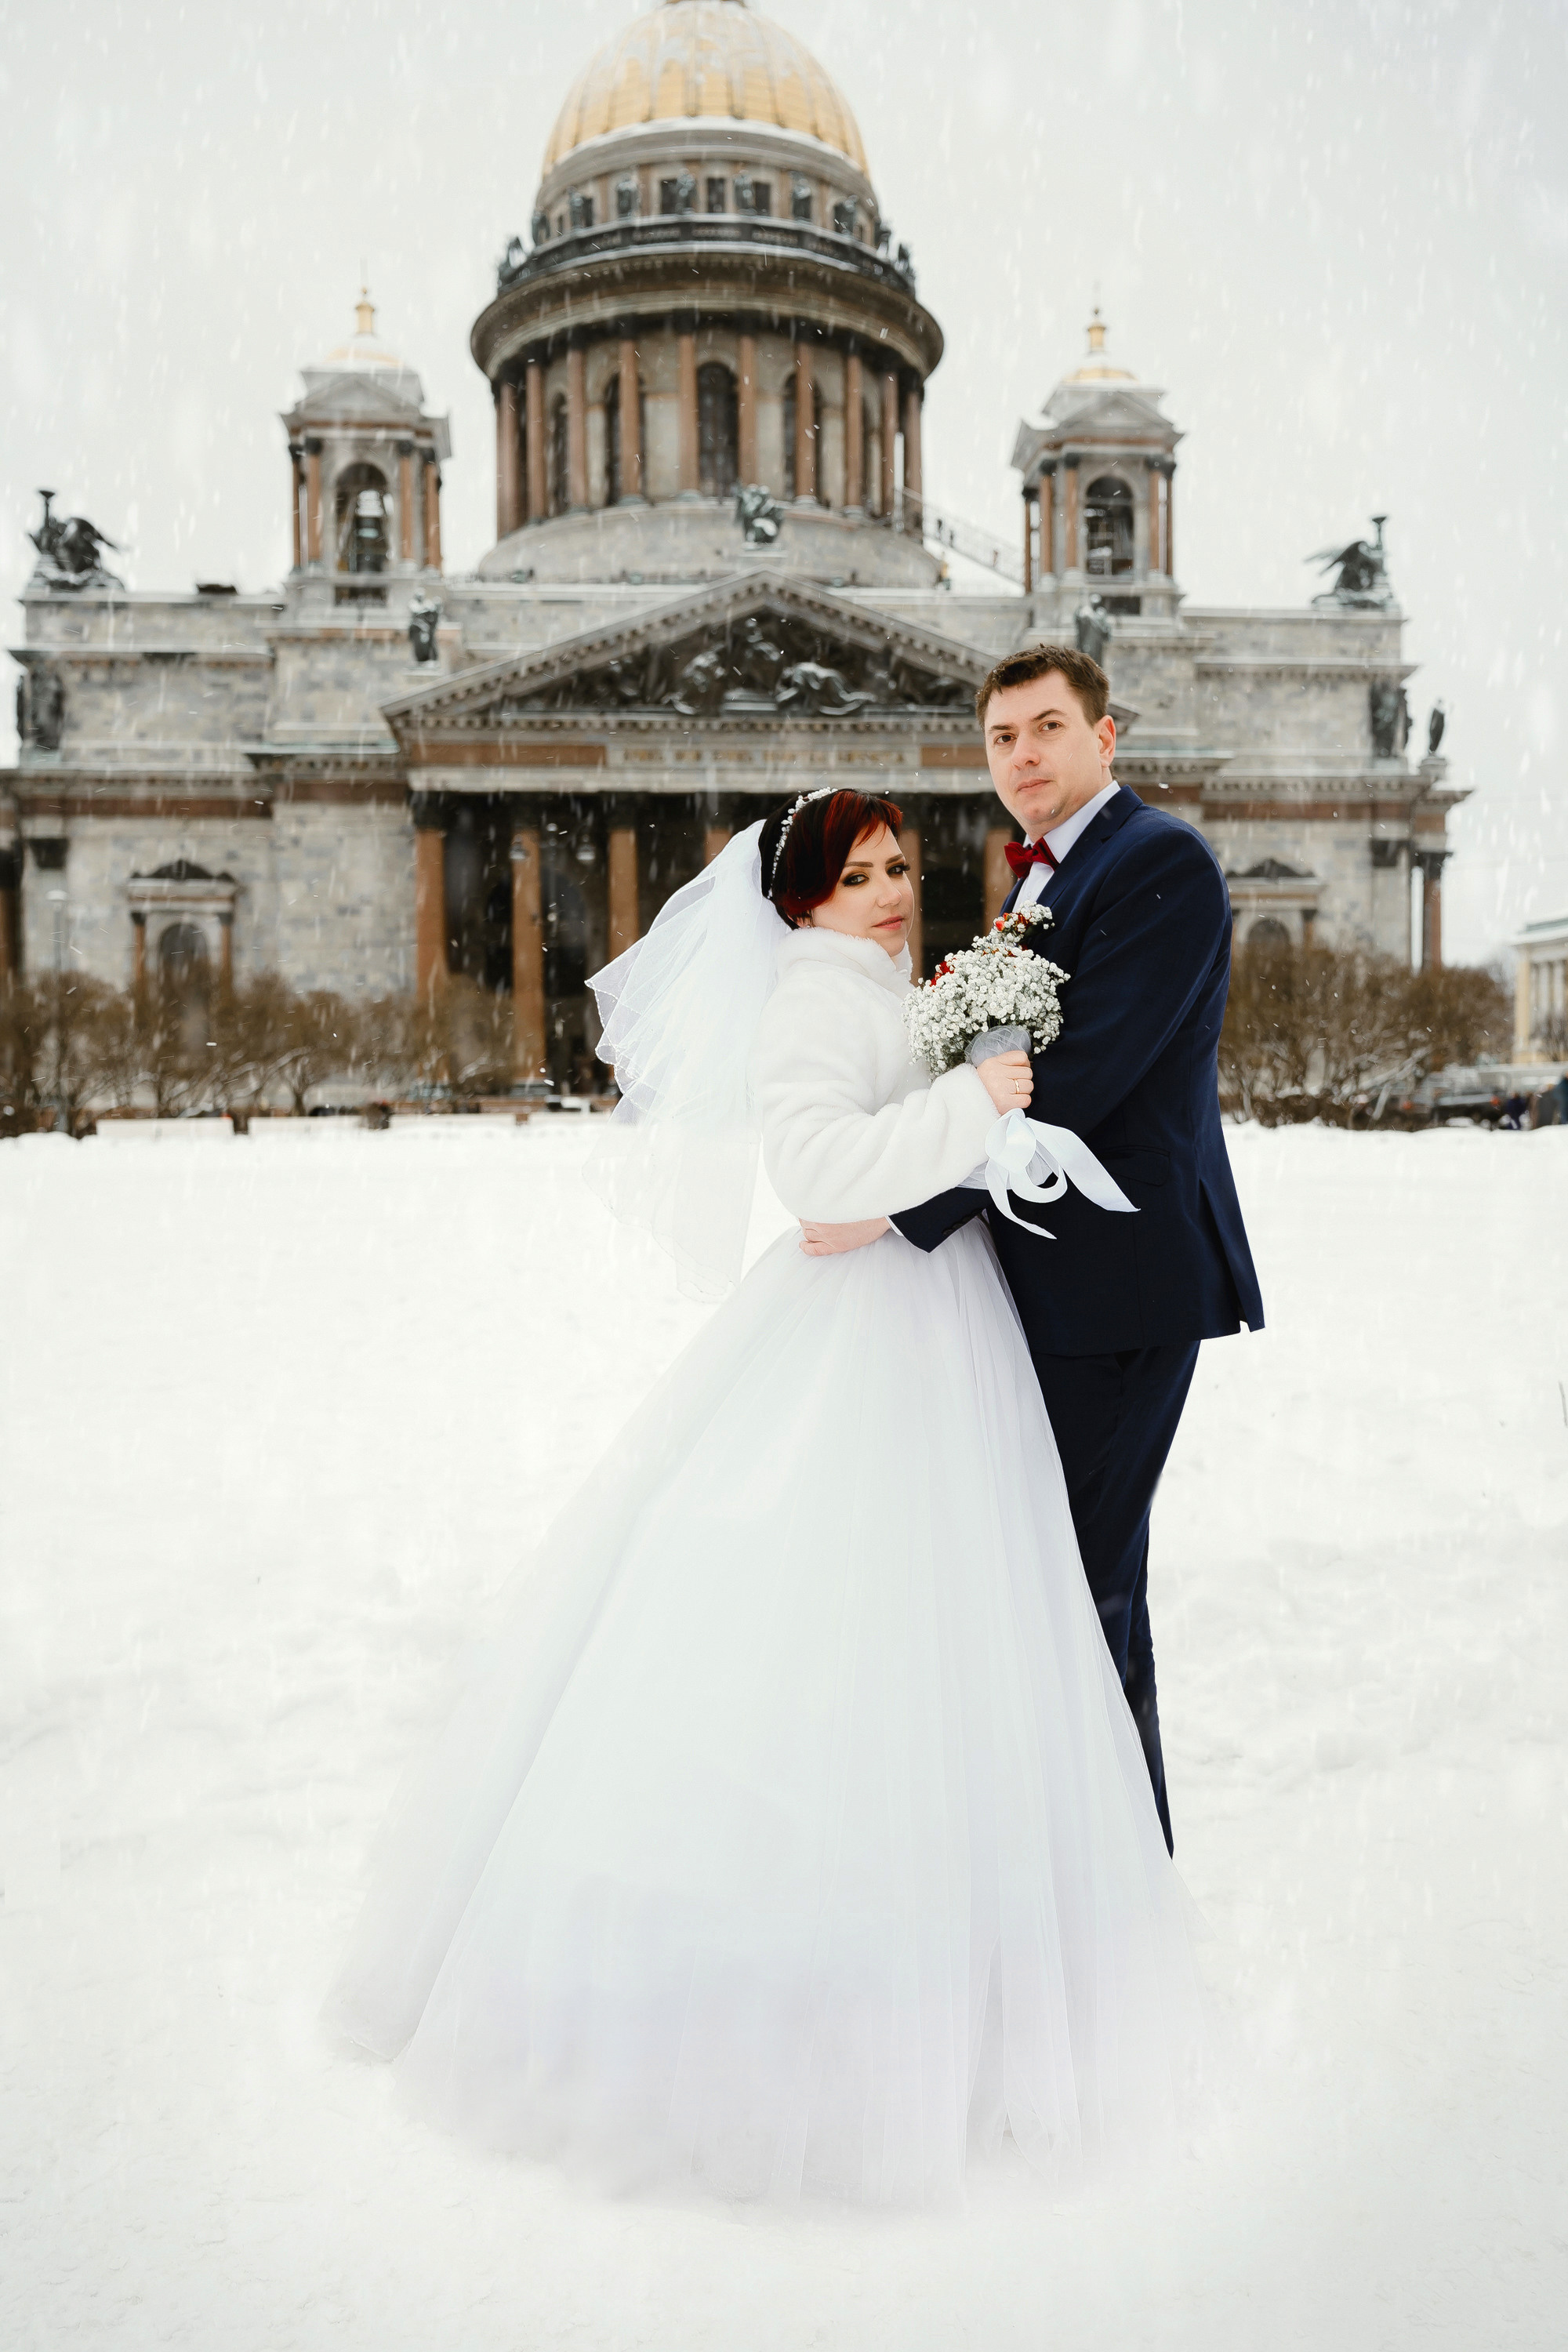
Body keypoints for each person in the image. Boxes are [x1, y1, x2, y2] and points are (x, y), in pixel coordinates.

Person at [324, 788, 1207, 2207]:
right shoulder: (816, 998)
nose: (889, 889)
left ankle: (932, 1968)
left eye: (899, 864)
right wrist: (968, 1103)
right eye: (856, 875)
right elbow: (814, 1174)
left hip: (930, 1319)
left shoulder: (878, 987)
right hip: (871, 1341)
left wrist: (945, 1108)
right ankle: (833, 1998)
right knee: (848, 1640)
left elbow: (869, 1180)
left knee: (946, 1641)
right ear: (797, 903)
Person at [802, 648, 1263, 1853]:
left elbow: (1072, 1084)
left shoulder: (1156, 859)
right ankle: (1116, 1872)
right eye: (1003, 737)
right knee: (1075, 1591)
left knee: (1076, 1592)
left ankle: (1107, 1892)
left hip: (1118, 1290)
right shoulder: (1046, 885)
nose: (1024, 756)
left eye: (1048, 728)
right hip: (1059, 1288)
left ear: (1107, 737)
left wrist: (894, 1208)